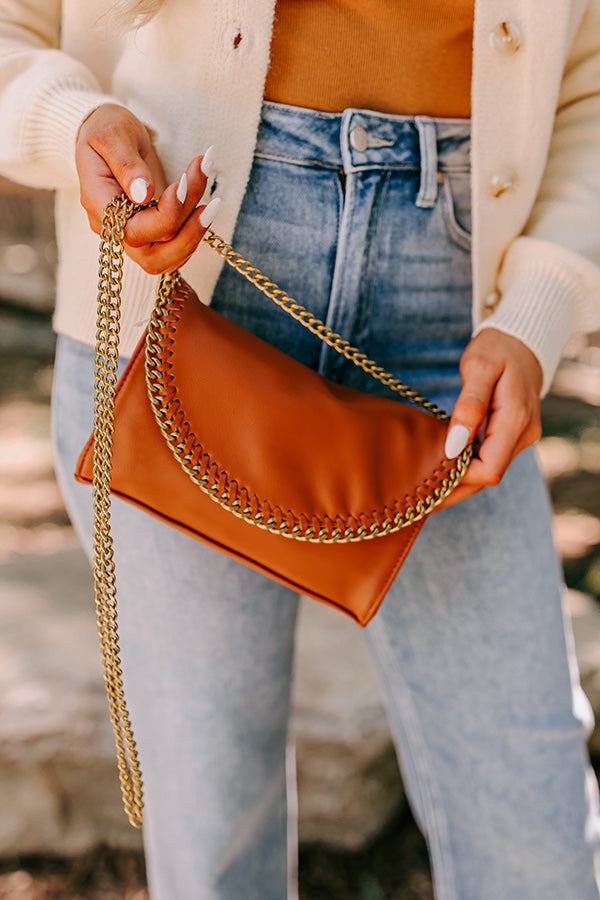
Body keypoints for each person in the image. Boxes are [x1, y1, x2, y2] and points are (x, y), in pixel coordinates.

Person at [1, 1, 600, 897]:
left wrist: (540, 305)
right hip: (183, 270)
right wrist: (73, 122)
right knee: (212, 836)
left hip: (464, 303)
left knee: (536, 841)